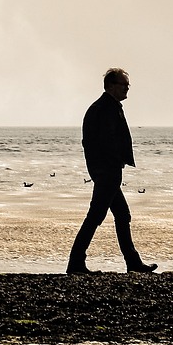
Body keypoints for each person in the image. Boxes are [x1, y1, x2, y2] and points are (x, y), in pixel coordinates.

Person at [67, 68, 158, 274]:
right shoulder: (105, 108)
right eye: (123, 84)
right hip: (107, 172)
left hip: (106, 171)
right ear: (111, 85)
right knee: (96, 216)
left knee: (122, 215)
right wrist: (111, 164)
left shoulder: (107, 107)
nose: (127, 88)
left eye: (128, 85)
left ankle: (132, 262)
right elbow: (104, 141)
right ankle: (75, 262)